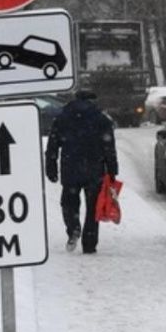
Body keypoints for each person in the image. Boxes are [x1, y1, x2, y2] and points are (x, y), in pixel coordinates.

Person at [45, 90, 119, 254]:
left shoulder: (63, 117)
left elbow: (53, 144)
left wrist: (50, 166)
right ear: (93, 100)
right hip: (94, 168)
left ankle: (73, 227)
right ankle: (89, 243)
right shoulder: (101, 119)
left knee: (69, 201)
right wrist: (112, 170)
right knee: (93, 206)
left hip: (70, 165)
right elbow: (109, 147)